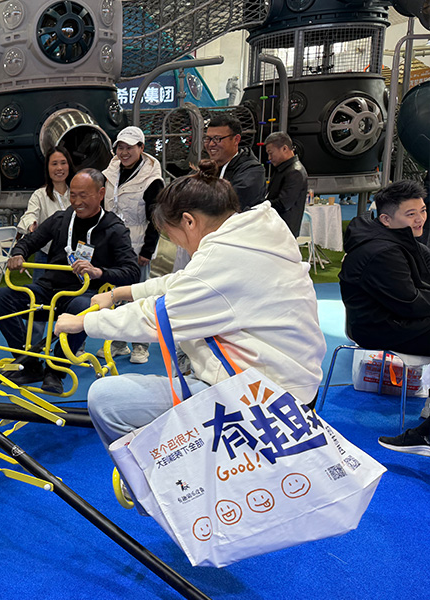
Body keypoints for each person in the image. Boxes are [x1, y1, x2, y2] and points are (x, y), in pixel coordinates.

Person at [54, 160, 324, 447]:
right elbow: (184, 281)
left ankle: (158, 471)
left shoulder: (223, 257)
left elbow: (157, 317)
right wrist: (121, 293)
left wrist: (83, 321)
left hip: (260, 396)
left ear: (189, 221)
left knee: (106, 398)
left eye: (173, 237)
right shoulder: (255, 235)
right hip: (289, 384)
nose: (180, 246)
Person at [0, 169, 140, 394]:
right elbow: (30, 241)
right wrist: (19, 253)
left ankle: (56, 369)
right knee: (0, 298)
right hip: (48, 291)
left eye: (83, 195)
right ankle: (28, 363)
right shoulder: (62, 218)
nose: (76, 202)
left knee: (82, 306)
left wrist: (99, 272)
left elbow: (132, 272)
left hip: (85, 294)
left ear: (101, 194)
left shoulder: (114, 228)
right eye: (73, 195)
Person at [339, 179, 430, 355]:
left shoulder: (400, 237)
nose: (420, 219)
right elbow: (409, 304)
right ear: (386, 219)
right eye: (411, 214)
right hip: (382, 329)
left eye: (423, 210)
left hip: (399, 320)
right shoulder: (381, 252)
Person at [102, 126, 165, 364]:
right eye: (120, 147)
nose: (124, 152)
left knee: (139, 297)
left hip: (138, 245)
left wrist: (147, 250)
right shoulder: (110, 172)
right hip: (112, 245)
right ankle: (118, 343)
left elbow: (156, 218)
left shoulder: (152, 180)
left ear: (141, 148)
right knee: (114, 295)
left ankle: (141, 345)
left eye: (129, 147)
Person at [17, 145, 75, 277]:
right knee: (40, 290)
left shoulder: (77, 193)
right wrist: (31, 225)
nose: (59, 168)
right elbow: (29, 214)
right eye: (54, 164)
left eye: (63, 163)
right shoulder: (40, 195)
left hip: (75, 259)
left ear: (69, 165)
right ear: (47, 168)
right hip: (46, 257)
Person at [204, 114, 265, 210]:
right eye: (208, 139)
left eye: (217, 139)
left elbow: (227, 203)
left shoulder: (252, 171)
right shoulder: (207, 169)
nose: (211, 144)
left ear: (236, 140)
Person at [264, 131, 308, 235]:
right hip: (277, 227)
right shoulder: (283, 169)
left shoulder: (295, 172)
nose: (269, 158)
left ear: (284, 148)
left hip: (284, 231)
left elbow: (283, 204)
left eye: (271, 153)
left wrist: (261, 206)